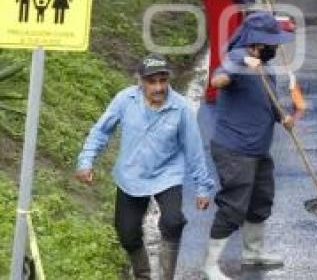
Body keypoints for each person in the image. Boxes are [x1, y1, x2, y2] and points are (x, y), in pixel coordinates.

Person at [75, 54, 214, 280]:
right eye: (152, 82)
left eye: (163, 81)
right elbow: (101, 131)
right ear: (140, 82)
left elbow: (194, 149)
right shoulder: (125, 100)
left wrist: (203, 187)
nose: (158, 87)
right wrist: (86, 161)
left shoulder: (180, 108)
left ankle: (165, 276)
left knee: (173, 221)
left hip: (167, 174)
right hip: (132, 174)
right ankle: (143, 274)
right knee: (127, 233)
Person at [202, 11, 296, 279]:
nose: (276, 47)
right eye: (273, 43)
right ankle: (210, 265)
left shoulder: (264, 66)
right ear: (257, 42)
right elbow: (218, 80)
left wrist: (282, 117)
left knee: (260, 200)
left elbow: (267, 98)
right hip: (235, 150)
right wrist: (241, 64)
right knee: (233, 206)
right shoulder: (237, 58)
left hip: (258, 149)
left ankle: (253, 254)